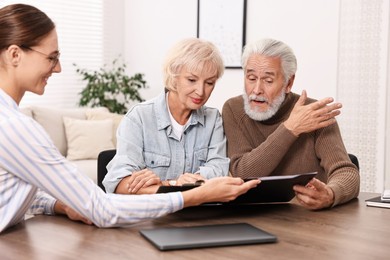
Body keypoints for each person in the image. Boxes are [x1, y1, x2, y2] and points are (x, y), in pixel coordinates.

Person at [0, 3, 259, 233]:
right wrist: (191, 195)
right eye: (52, 57)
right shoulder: (14, 127)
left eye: (209, 82)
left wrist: (60, 205)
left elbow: (15, 193)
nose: (58, 68)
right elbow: (102, 207)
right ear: (14, 55)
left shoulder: (9, 121)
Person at [222, 38, 360, 210]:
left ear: (289, 83)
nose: (256, 90)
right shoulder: (233, 109)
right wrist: (290, 129)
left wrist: (330, 194)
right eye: (251, 78)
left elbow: (346, 172)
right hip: (253, 216)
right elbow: (243, 174)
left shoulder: (314, 114)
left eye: (268, 80)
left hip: (310, 221)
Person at [103, 38, 230, 195]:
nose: (201, 91)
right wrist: (173, 184)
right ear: (174, 75)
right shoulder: (139, 118)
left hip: (198, 214)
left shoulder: (213, 120)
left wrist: (165, 185)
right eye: (191, 80)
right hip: (151, 215)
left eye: (209, 83)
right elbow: (120, 184)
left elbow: (220, 170)